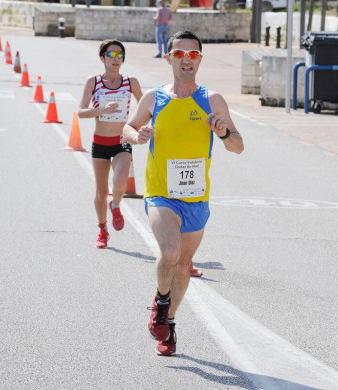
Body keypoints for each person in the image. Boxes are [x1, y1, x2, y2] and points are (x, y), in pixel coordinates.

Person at [123, 30, 244, 356]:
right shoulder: (154, 97)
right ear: (169, 58)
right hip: (161, 193)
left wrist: (224, 132)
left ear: (200, 59)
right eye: (180, 54)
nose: (186, 60)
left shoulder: (212, 100)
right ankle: (161, 302)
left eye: (193, 55)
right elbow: (128, 126)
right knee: (171, 252)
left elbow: (238, 146)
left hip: (196, 198)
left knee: (183, 265)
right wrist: (137, 136)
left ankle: (169, 322)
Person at [78, 40, 143, 249]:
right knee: (100, 191)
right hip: (100, 142)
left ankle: (115, 205)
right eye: (111, 55)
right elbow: (81, 111)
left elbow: (145, 107)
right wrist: (101, 110)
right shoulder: (93, 82)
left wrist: (138, 127)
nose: (116, 59)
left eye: (120, 55)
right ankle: (102, 229)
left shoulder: (131, 82)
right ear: (102, 58)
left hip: (122, 141)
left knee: (120, 184)